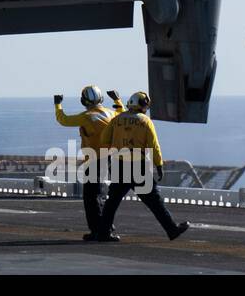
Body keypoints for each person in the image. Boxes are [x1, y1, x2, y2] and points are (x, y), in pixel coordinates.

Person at [95, 91, 189, 241]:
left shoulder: (117, 120)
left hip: (119, 165)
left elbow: (104, 138)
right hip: (138, 167)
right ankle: (172, 230)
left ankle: (103, 233)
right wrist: (159, 165)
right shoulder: (145, 121)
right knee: (154, 202)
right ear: (143, 105)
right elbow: (154, 146)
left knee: (112, 202)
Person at [54, 85, 124, 240]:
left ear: (83, 101)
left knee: (91, 197)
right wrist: (117, 99)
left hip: (94, 159)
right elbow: (122, 113)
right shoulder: (111, 113)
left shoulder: (86, 116)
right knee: (101, 195)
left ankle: (100, 230)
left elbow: (63, 120)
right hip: (112, 157)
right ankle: (102, 229)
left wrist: (58, 104)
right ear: (101, 99)